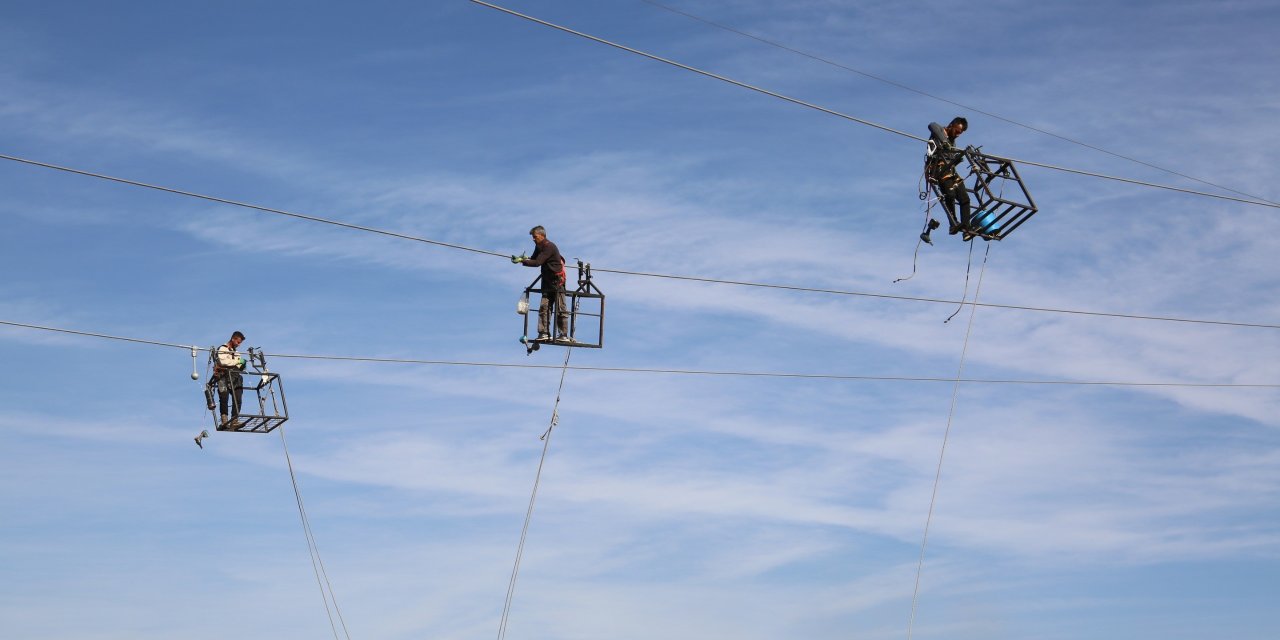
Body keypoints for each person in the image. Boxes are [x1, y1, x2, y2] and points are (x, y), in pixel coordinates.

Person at [512, 226, 570, 342]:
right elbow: (534, 258)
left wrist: (522, 261)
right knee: (544, 307)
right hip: (547, 280)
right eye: (533, 237)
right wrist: (524, 258)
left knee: (560, 308)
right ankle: (544, 333)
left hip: (557, 281)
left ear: (542, 236)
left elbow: (538, 262)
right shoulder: (539, 246)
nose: (533, 239)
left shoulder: (549, 246)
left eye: (535, 237)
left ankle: (563, 334)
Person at [925, 116, 974, 240]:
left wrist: (957, 157)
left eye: (960, 133)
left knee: (965, 198)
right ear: (952, 125)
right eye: (957, 131)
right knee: (950, 195)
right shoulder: (939, 131)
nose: (958, 135)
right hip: (939, 170)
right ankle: (953, 223)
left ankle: (966, 229)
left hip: (951, 170)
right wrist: (944, 142)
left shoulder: (953, 142)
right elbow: (931, 124)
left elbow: (950, 155)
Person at [212, 331, 247, 427]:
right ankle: (224, 420)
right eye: (238, 342)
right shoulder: (222, 349)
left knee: (238, 398)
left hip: (234, 377)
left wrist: (242, 365)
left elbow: (238, 365)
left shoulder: (236, 353)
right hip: (222, 376)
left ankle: (234, 420)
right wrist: (237, 362)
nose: (239, 345)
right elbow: (224, 362)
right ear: (233, 339)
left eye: (240, 343)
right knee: (224, 398)